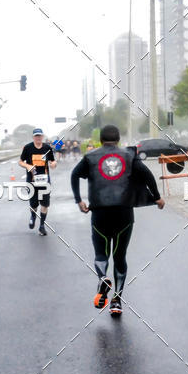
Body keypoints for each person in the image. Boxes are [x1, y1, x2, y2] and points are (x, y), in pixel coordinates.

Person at [71, 124, 165, 317]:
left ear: (100, 140)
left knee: (101, 254)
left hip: (99, 213)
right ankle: (116, 301)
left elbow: (74, 175)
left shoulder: (90, 157)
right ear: (119, 139)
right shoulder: (129, 155)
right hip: (124, 213)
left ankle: (103, 278)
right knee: (120, 256)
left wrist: (79, 200)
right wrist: (157, 197)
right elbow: (147, 175)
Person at [18, 128, 56, 236]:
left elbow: (53, 161)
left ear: (42, 137)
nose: (38, 138)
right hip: (32, 180)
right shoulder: (28, 148)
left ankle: (42, 226)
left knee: (45, 204)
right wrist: (27, 166)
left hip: (45, 181)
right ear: (33, 137)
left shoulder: (47, 148)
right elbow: (20, 162)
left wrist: (54, 164)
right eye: (36, 136)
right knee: (34, 204)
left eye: (40, 136)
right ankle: (33, 216)